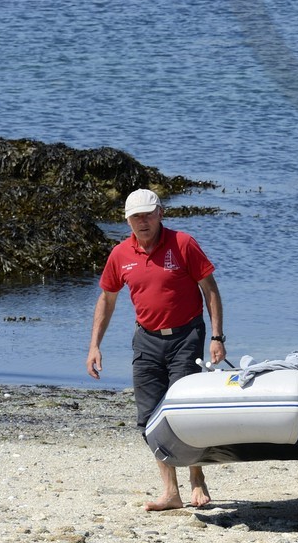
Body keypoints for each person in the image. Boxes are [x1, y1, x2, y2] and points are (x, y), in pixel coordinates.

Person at [86, 188, 225, 512]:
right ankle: (170, 491)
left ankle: (196, 476)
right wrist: (94, 346)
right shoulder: (120, 254)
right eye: (136, 217)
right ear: (127, 221)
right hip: (146, 340)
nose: (143, 222)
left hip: (186, 336)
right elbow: (107, 300)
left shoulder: (183, 244)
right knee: (149, 417)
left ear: (160, 213)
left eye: (148, 215)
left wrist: (217, 337)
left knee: (184, 410)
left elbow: (210, 289)